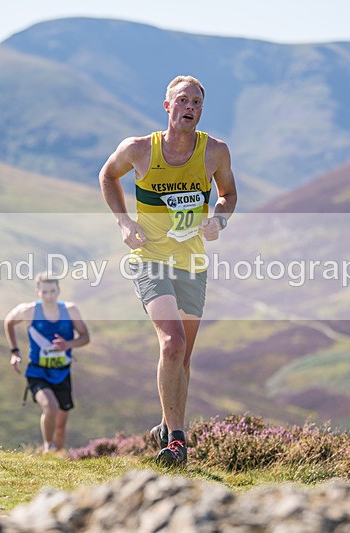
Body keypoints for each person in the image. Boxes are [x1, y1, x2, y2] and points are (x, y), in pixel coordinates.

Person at [99, 75, 237, 465]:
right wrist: (124, 222)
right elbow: (107, 175)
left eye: (196, 102)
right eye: (182, 100)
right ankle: (177, 441)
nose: (189, 107)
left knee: (183, 359)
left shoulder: (216, 152)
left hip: (191, 262)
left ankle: (165, 424)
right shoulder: (139, 149)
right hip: (150, 259)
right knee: (172, 344)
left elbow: (229, 195)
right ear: (167, 106)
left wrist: (219, 220)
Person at [4, 272, 90, 452]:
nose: (49, 296)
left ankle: (56, 457)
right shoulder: (28, 310)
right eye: (45, 292)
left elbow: (85, 337)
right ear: (38, 293)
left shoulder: (70, 310)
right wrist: (14, 351)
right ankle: (47, 447)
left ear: (59, 290)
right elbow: (9, 322)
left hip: (62, 372)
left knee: (61, 422)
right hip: (37, 371)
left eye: (52, 291)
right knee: (50, 408)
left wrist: (68, 344)